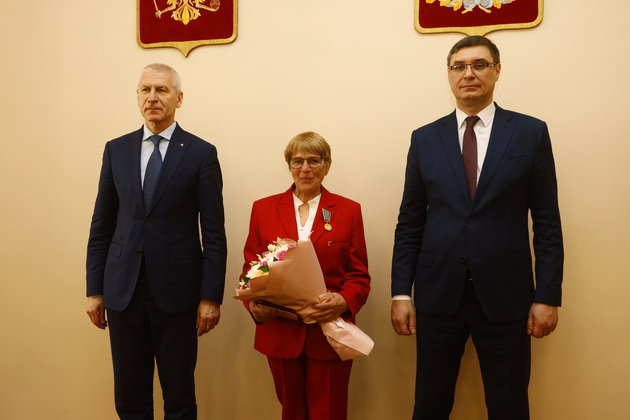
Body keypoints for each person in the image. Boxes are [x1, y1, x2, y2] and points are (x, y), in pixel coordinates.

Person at [391, 36, 564, 419]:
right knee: (430, 405)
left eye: (479, 64)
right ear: (449, 75)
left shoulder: (530, 132)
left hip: (507, 296)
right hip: (438, 295)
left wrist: (548, 295)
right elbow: (410, 222)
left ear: (497, 71)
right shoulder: (425, 138)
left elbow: (547, 222)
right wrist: (401, 292)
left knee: (509, 406)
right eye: (459, 66)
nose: (468, 73)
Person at [85, 63, 227, 420]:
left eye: (161, 90)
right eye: (145, 90)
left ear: (178, 98)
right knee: (130, 399)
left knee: (179, 399)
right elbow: (101, 226)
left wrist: (210, 297)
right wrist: (95, 290)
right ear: (137, 97)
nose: (152, 97)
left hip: (178, 295)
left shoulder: (200, 153)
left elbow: (213, 233)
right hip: (123, 292)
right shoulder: (116, 150)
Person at [242, 131, 371, 420]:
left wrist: (343, 300)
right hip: (280, 331)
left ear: (327, 166)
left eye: (314, 161)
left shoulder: (349, 210)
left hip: (329, 332)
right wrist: (253, 305)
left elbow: (359, 275)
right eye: (297, 161)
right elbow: (250, 269)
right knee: (292, 413)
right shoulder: (263, 209)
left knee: (329, 413)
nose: (305, 169)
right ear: (289, 165)